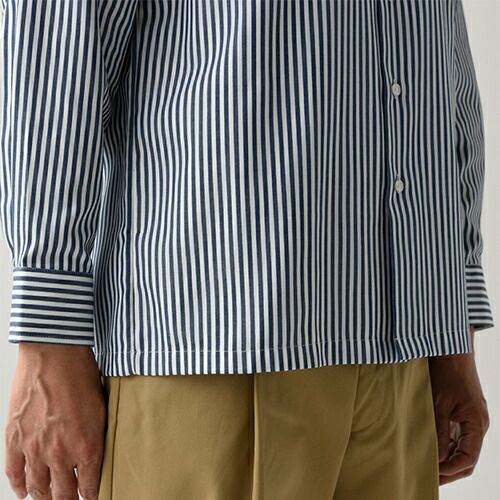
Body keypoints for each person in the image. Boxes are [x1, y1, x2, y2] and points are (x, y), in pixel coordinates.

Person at [0, 1, 495, 499]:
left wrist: (453, 318)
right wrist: (48, 338)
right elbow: (56, 40)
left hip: (402, 354)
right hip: (218, 345)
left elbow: (442, 44)